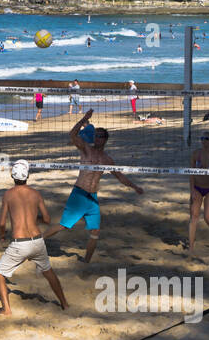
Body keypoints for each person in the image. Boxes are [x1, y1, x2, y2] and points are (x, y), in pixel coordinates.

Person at [43, 109, 144, 264]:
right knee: (64, 226)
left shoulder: (106, 159)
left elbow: (120, 176)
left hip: (92, 198)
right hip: (79, 194)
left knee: (95, 231)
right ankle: (35, 242)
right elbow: (72, 135)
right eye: (96, 135)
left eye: (101, 136)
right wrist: (84, 118)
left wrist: (135, 187)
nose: (98, 138)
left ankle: (86, 262)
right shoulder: (86, 149)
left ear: (105, 140)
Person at [0, 159, 66, 318]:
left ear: (12, 176)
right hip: (37, 241)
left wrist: (2, 235)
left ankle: (6, 310)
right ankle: (64, 304)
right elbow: (47, 219)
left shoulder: (8, 195)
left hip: (20, 244)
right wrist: (33, 220)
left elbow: (1, 222)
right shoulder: (35, 194)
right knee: (49, 272)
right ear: (28, 175)